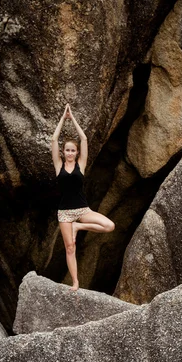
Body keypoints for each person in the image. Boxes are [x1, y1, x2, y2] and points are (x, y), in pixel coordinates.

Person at [51, 104, 115, 291]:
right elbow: (54, 139)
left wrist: (73, 118)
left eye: (73, 150)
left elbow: (84, 138)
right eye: (67, 150)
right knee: (70, 247)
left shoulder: (81, 164)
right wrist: (63, 118)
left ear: (77, 152)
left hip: (82, 210)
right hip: (64, 213)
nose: (70, 153)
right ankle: (76, 282)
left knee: (110, 226)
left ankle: (79, 227)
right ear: (63, 152)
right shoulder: (58, 166)